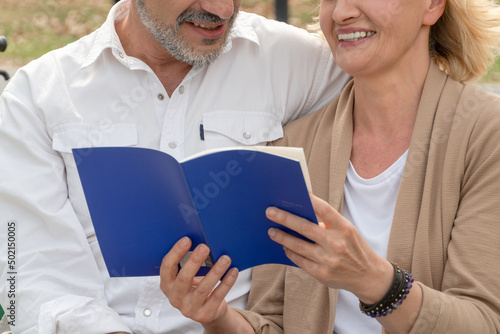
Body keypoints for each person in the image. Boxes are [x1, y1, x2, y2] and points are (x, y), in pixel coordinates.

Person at [0, 0, 351, 332]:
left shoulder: (290, 61)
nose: (222, 10)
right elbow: (29, 271)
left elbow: (387, 77)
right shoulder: (38, 95)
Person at [159, 0, 500, 332]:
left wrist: (373, 280)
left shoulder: (485, 134)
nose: (341, 12)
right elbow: (274, 321)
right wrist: (218, 318)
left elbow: (484, 321)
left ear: (433, 6)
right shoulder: (292, 145)